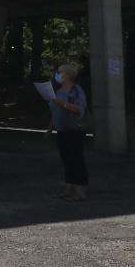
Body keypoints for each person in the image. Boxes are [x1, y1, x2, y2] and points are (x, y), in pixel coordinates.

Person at [49, 63, 89, 201]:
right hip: (62, 130)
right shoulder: (58, 91)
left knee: (76, 159)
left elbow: (80, 109)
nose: (57, 75)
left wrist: (63, 104)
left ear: (67, 75)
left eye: (60, 72)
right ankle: (69, 189)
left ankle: (79, 192)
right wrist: (50, 129)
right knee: (66, 159)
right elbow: (54, 112)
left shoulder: (76, 90)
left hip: (74, 129)